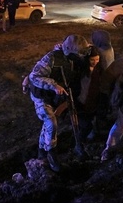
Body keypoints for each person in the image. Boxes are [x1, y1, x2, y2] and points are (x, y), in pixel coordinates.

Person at [27, 34, 89, 172]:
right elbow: (34, 76)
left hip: (56, 97)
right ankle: (51, 154)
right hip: (42, 96)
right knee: (50, 122)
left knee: (48, 125)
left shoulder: (74, 58)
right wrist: (54, 85)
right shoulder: (52, 58)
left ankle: (41, 153)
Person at [73, 46, 105, 157]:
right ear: (87, 59)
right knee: (86, 125)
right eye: (92, 60)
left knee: (90, 121)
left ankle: (86, 140)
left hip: (92, 101)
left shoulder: (99, 70)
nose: (95, 62)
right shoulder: (80, 69)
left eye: (97, 59)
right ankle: (78, 144)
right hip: (80, 102)